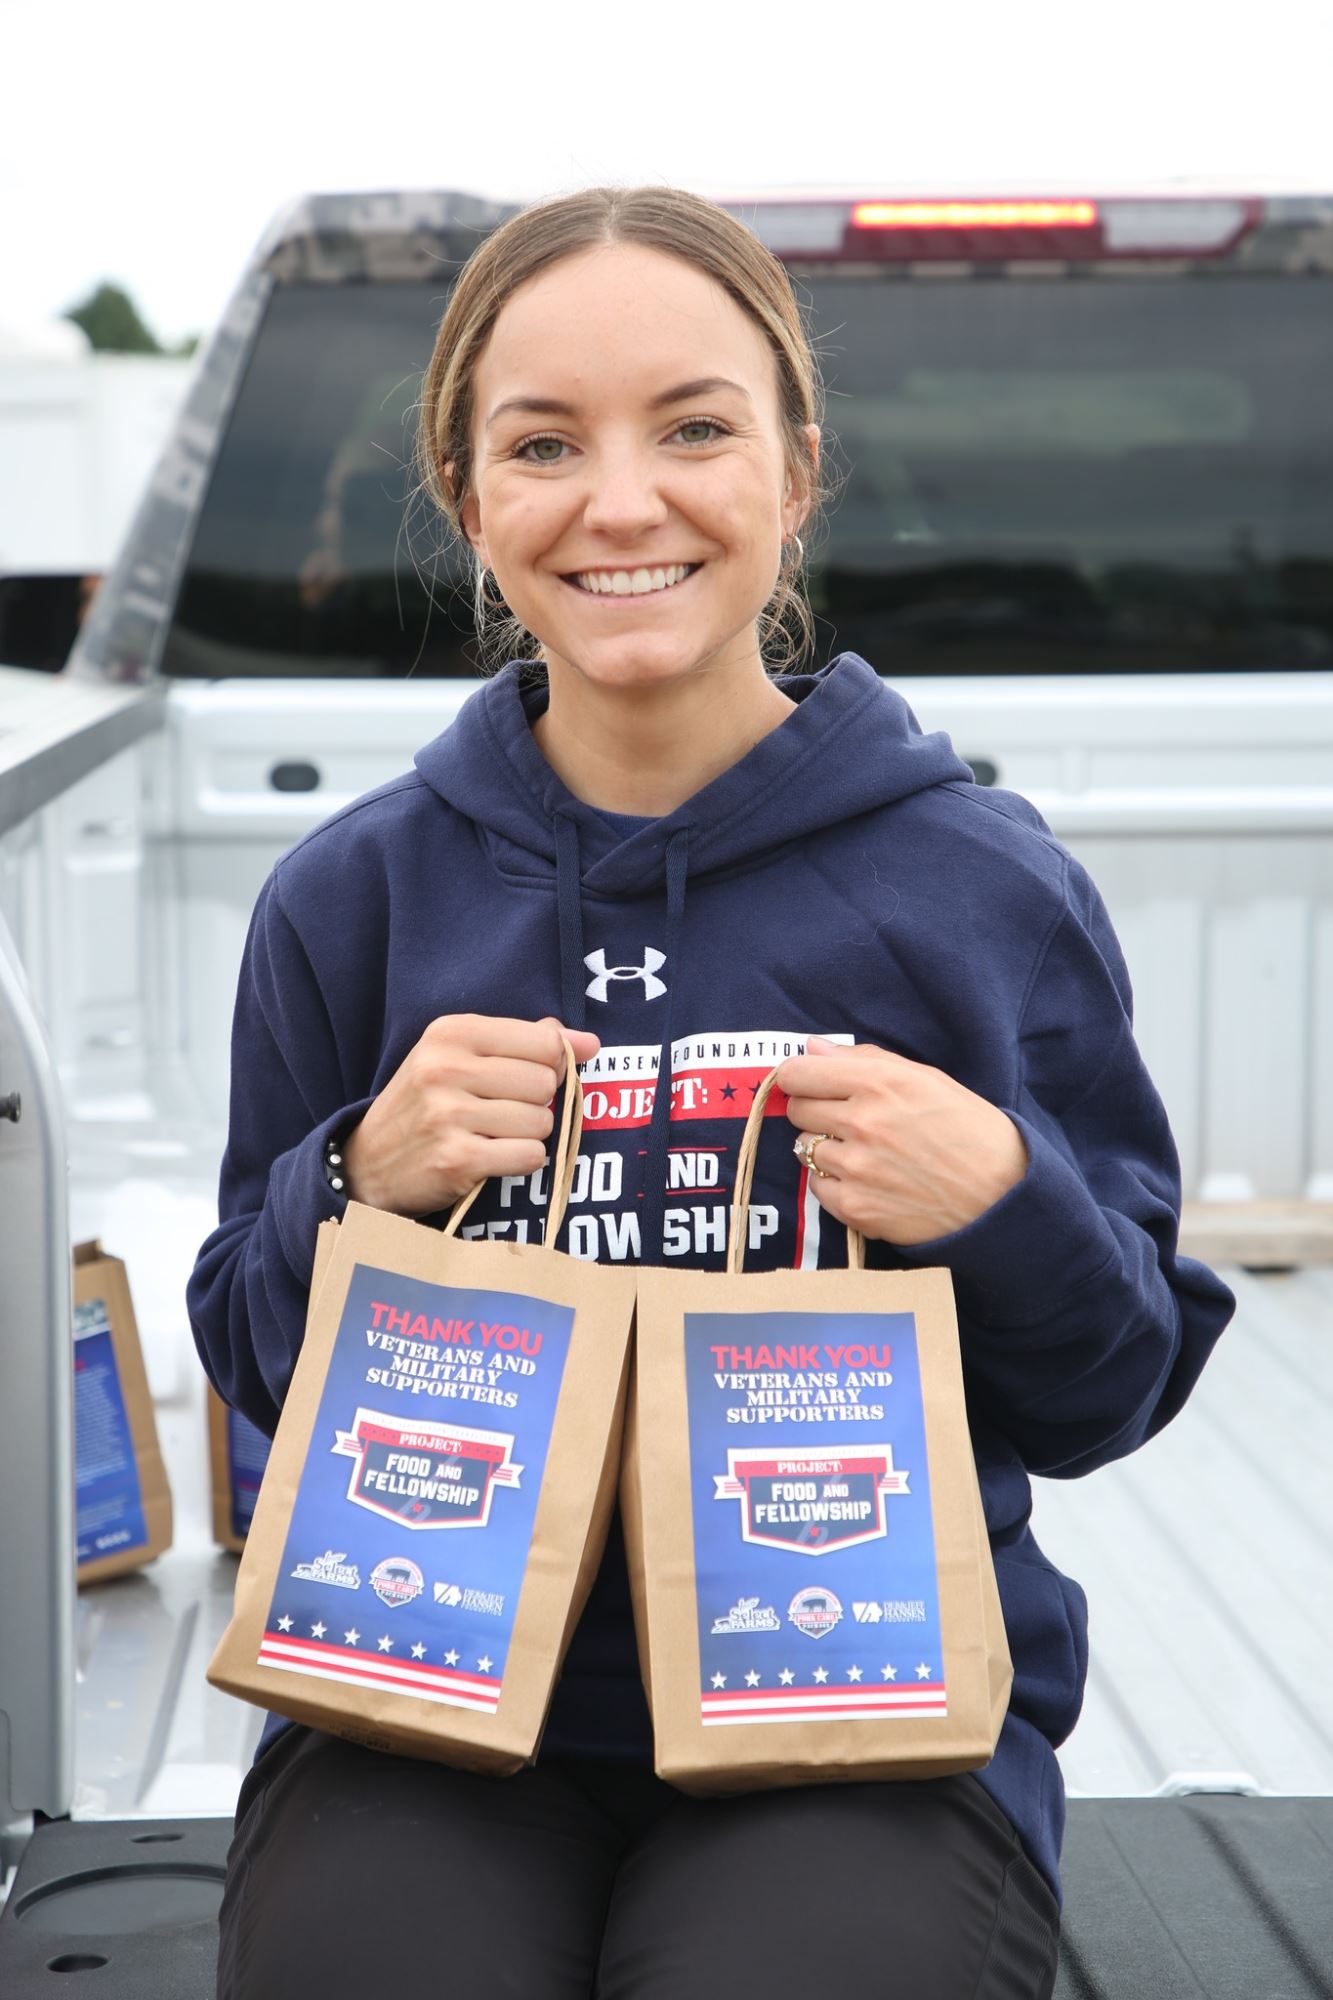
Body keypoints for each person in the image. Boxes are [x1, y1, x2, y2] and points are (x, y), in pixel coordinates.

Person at [186, 184, 1235, 2000]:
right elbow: (247, 1350)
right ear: (470, 498)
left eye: (692, 427)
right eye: (543, 444)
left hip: (871, 1714)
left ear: (794, 470)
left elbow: (1111, 1384)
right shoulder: (351, 898)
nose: (621, 501)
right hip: (419, 1715)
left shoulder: (980, 886)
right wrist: (350, 1178)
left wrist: (999, 1197)